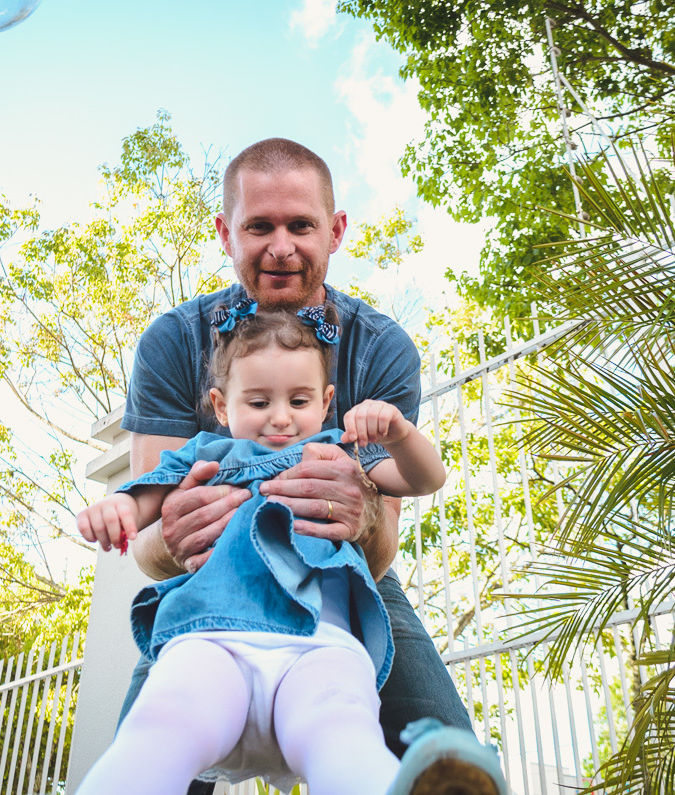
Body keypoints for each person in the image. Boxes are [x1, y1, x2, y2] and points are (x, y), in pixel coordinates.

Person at [112, 138, 496, 793]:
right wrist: (172, 535)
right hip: (213, 582)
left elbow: (382, 546)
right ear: (225, 233)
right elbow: (149, 544)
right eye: (259, 227)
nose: (281, 247)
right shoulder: (173, 342)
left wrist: (360, 512)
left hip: (334, 572)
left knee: (433, 737)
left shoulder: (379, 347)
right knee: (156, 733)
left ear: (336, 230)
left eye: (300, 225)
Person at [77, 305, 493, 793]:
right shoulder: (207, 454)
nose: (280, 418)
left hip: (318, 639)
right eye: (258, 402)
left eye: (299, 401)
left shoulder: (338, 451)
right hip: (215, 637)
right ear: (221, 406)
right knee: (164, 722)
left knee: (342, 729)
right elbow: (150, 495)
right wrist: (120, 508)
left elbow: (424, 480)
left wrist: (400, 434)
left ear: (326, 401)